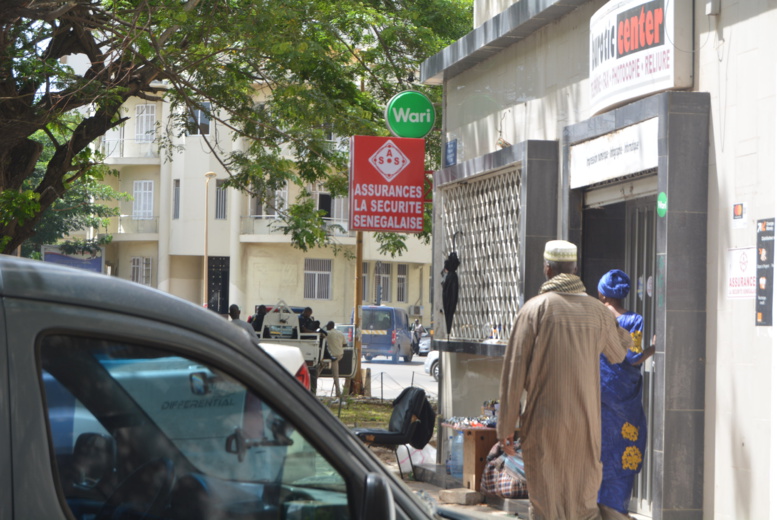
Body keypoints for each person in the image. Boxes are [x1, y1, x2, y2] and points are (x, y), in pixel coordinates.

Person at [497, 240, 632, 520]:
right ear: (574, 269)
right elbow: (619, 353)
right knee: (582, 502)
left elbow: (513, 371)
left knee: (546, 500)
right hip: (586, 425)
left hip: (544, 424)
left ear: (547, 269)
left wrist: (506, 426)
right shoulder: (598, 312)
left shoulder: (534, 309)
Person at [596, 270, 655, 520]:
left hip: (598, 393)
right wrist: (653, 348)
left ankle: (596, 505)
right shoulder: (634, 320)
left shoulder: (596, 317)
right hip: (625, 398)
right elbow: (633, 357)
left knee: (599, 448)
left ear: (601, 294)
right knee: (624, 447)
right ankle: (616, 509)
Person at [324, 321, 346, 398]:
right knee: (335, 373)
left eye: (327, 326)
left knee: (335, 374)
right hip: (340, 355)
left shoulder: (327, 333)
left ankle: (338, 392)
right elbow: (345, 344)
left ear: (329, 326)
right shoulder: (340, 333)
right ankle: (338, 392)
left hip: (332, 356)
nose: (326, 327)